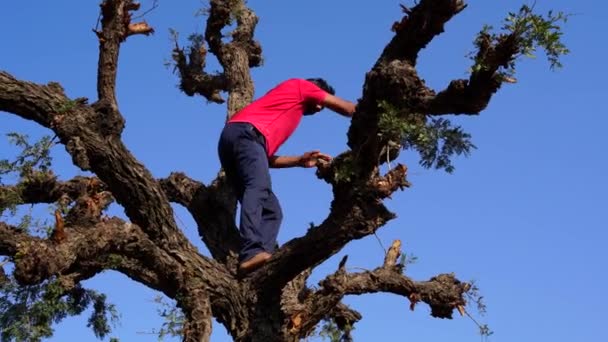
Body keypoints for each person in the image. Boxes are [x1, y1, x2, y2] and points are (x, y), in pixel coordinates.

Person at [218, 78, 356, 274]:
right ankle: (250, 253)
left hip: (236, 141)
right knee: (258, 187)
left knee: (272, 211)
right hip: (246, 135)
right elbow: (349, 109)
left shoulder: (282, 106)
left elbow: (264, 159)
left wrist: (299, 160)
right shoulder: (301, 86)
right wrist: (375, 112)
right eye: (321, 103)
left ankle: (255, 264)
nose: (318, 109)